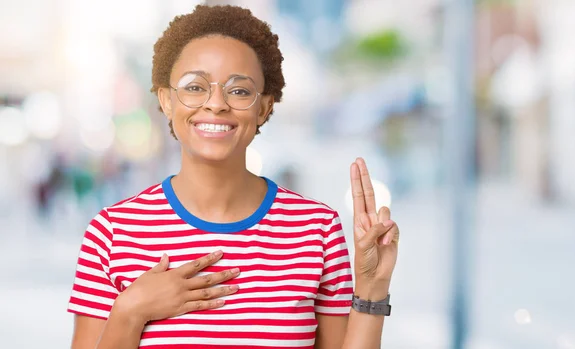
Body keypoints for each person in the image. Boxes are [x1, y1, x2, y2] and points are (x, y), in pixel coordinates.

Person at [68, 5, 399, 349]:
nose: (216, 104)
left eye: (239, 90)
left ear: (264, 107)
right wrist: (129, 310)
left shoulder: (316, 230)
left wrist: (372, 289)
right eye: (194, 87)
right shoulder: (112, 232)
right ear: (166, 100)